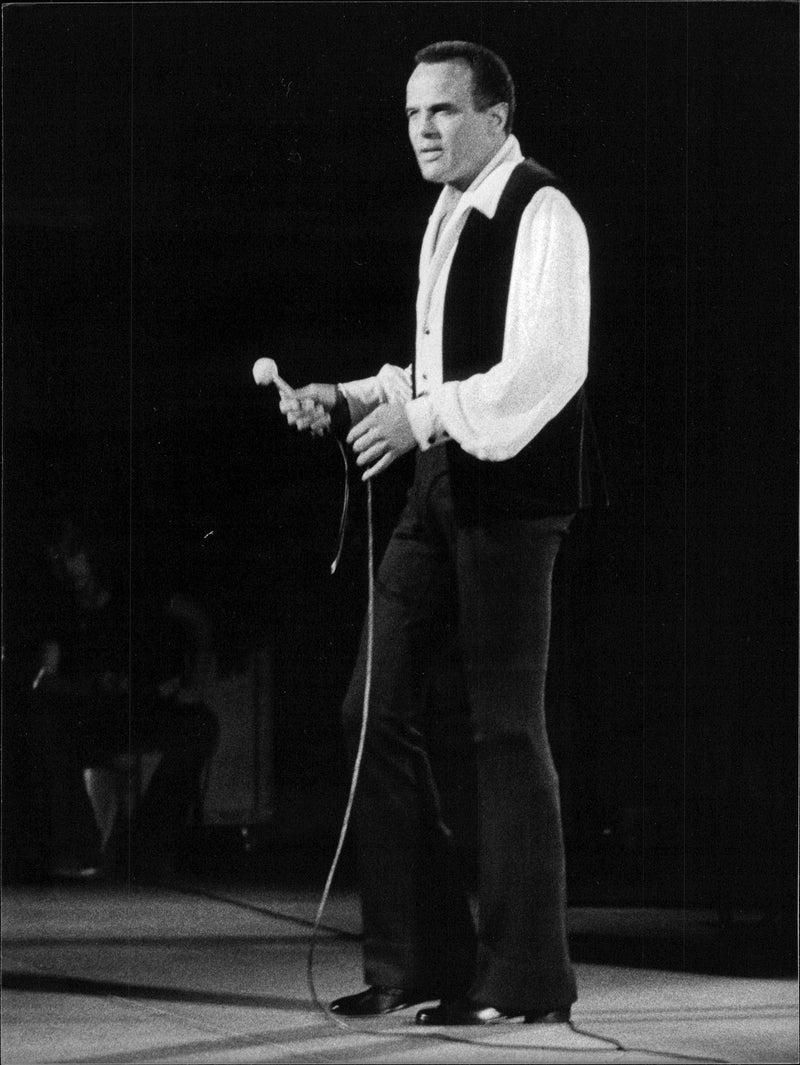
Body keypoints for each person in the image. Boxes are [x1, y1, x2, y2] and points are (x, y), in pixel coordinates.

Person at [280, 41, 605, 1025]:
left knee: (504, 731)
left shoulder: (541, 212)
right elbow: (436, 371)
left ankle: (524, 980)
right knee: (369, 713)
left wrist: (417, 417)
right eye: (413, 113)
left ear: (496, 118)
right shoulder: (448, 214)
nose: (422, 129)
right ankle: (418, 960)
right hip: (437, 488)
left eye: (444, 111)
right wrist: (350, 396)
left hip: (511, 497)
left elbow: (543, 370)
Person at [17, 518, 219, 881]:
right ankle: (80, 848)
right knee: (46, 722)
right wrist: (89, 686)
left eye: (75, 554)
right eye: (59, 560)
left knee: (200, 726)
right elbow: (46, 679)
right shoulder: (61, 609)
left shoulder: (134, 591)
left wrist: (196, 675)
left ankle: (144, 847)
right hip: (92, 717)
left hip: (144, 708)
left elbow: (196, 619)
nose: (71, 568)